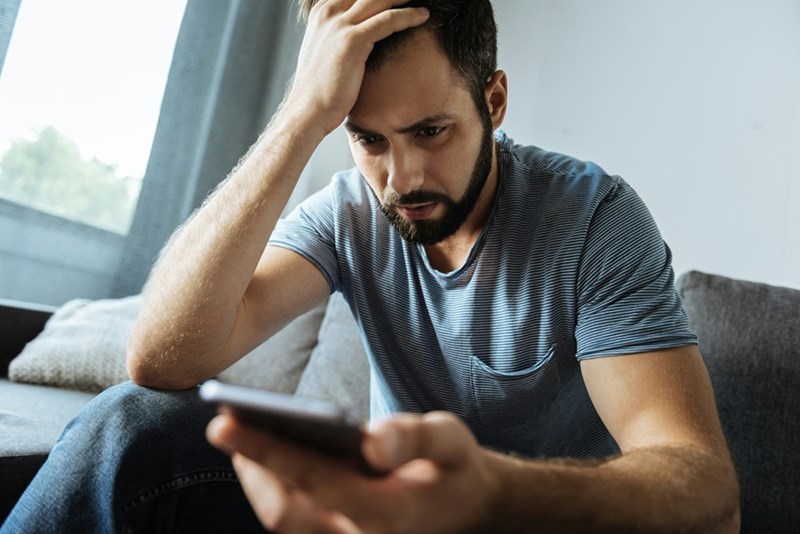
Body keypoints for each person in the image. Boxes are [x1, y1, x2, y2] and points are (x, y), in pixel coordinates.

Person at [4, 0, 740, 532]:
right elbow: (160, 359)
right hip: (379, 523)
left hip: (533, 517)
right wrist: (300, 117)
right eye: (369, 140)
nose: (402, 178)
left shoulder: (593, 219)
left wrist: (493, 492)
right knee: (131, 426)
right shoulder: (352, 209)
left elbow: (702, 482)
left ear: (495, 98)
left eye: (431, 131)